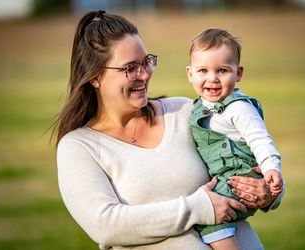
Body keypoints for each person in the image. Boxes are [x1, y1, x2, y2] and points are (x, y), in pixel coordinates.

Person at [55, 11, 284, 250]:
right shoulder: (79, 147)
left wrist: (270, 192)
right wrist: (199, 208)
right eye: (130, 68)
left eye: (146, 61)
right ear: (94, 77)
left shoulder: (186, 111)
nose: (144, 74)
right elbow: (105, 226)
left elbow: (247, 157)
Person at [186, 28, 284, 250]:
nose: (212, 78)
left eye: (222, 70)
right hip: (224, 178)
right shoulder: (198, 107)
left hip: (240, 179)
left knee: (209, 216)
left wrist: (271, 170)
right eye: (203, 70)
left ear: (238, 73)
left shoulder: (238, 108)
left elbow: (260, 139)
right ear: (190, 73)